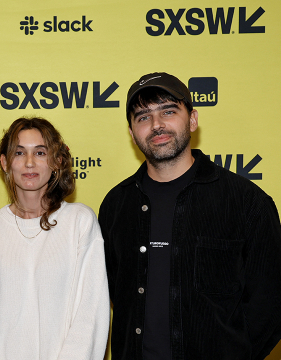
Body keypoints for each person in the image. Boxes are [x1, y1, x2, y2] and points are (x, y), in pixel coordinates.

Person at [99, 72, 281, 360]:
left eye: (168, 111)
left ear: (193, 119)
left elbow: (271, 304)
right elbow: (113, 292)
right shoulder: (116, 204)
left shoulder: (247, 202)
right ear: (132, 133)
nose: (157, 125)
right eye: (143, 117)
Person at [0, 117, 110, 360]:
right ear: (5, 162)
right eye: (19, 153)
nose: (29, 163)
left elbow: (90, 313)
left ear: (57, 161)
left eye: (40, 152)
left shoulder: (80, 222)